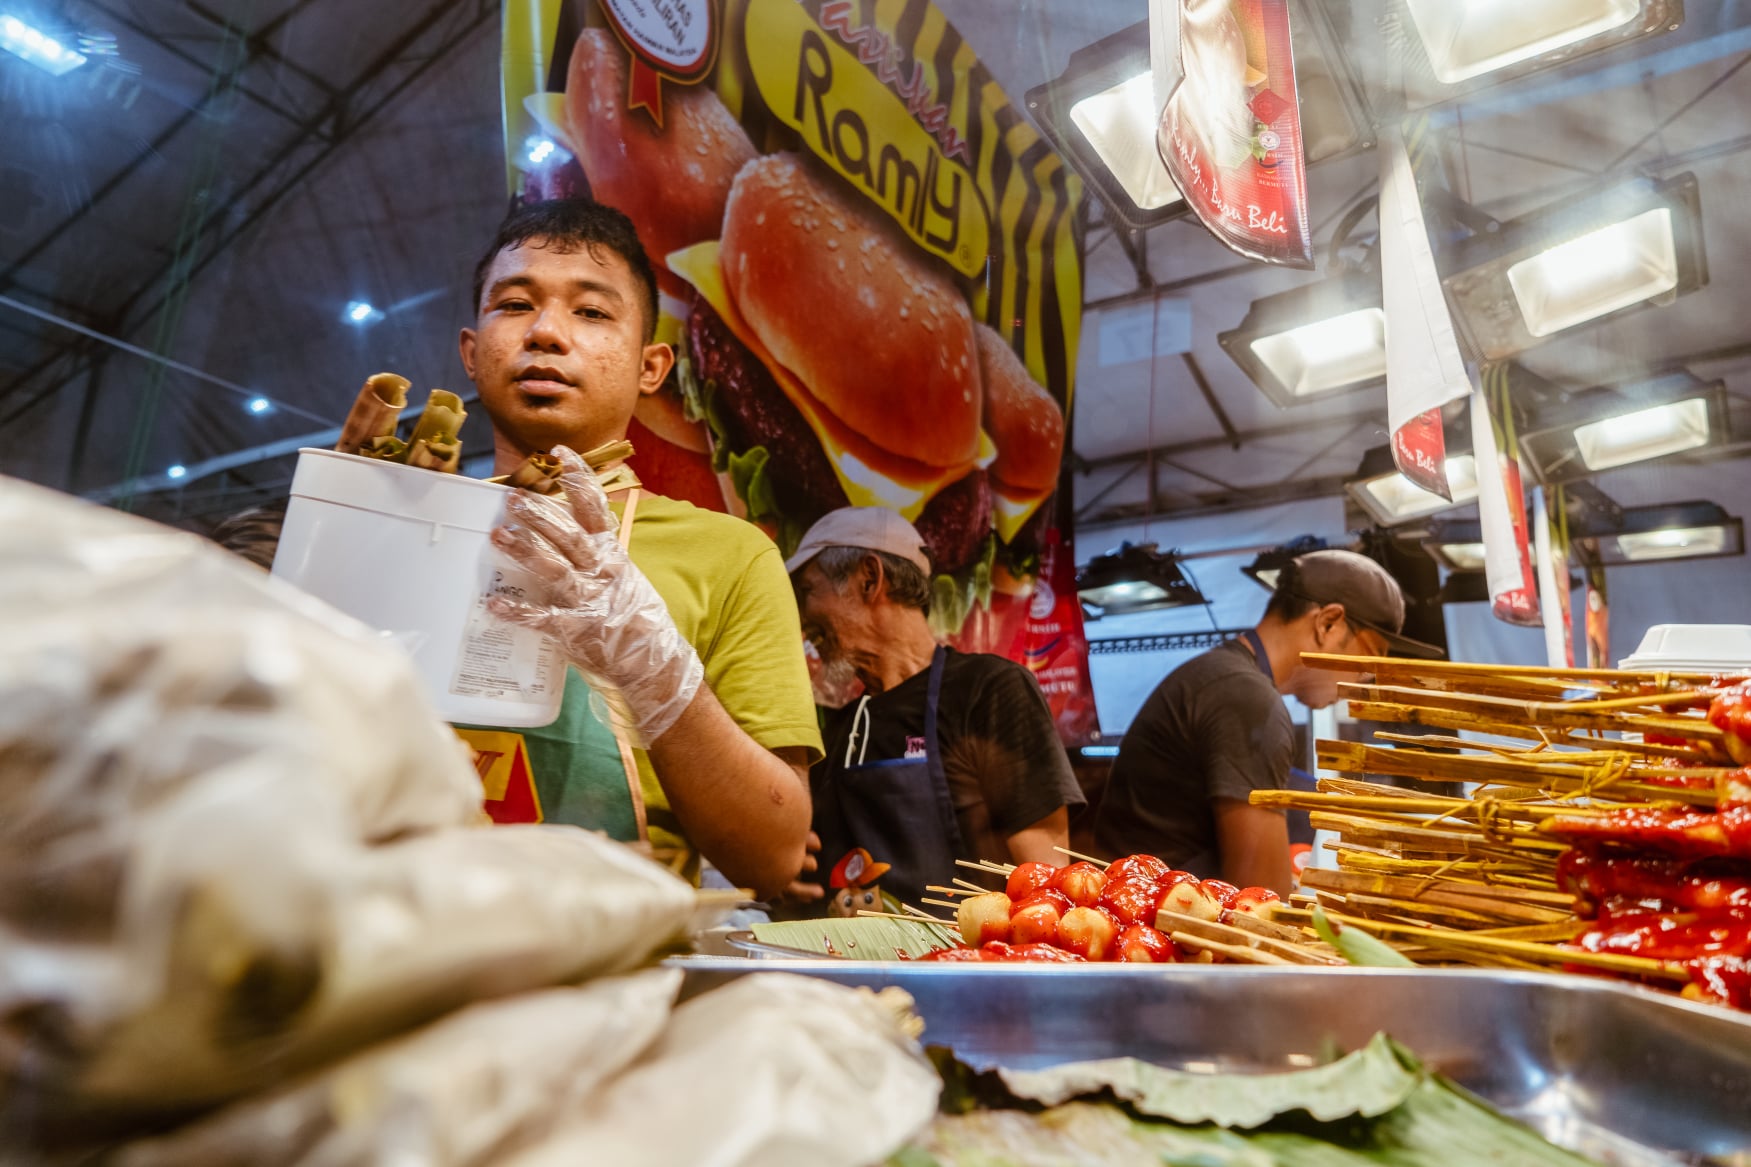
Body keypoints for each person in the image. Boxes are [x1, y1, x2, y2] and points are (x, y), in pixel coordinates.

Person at [454, 198, 822, 899]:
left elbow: (772, 856)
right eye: (513, 305)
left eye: (591, 312)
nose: (546, 332)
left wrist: (652, 667)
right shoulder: (409, 528)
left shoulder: (730, 553)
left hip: (629, 967)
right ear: (471, 353)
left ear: (652, 367)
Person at [785, 506, 1084, 911]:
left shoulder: (989, 692)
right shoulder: (843, 729)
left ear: (869, 579)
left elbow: (1047, 886)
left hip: (966, 968)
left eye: (808, 591)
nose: (803, 619)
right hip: (848, 965)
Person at [1092, 549, 1439, 895]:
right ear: (1328, 623)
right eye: (1372, 655)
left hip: (1137, 914)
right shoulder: (1247, 699)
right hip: (1154, 934)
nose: (1367, 677)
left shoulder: (1222, 677)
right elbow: (1260, 900)